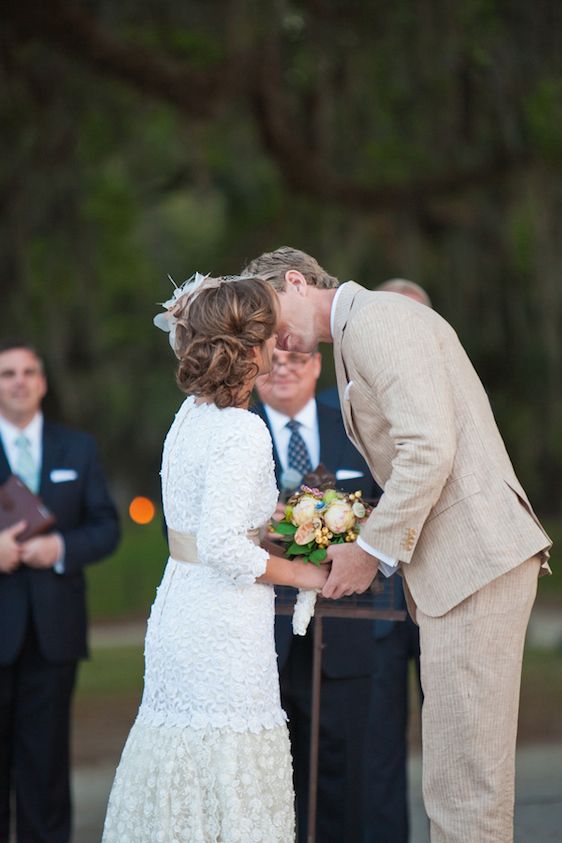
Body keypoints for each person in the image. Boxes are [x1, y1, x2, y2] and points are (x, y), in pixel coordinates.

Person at [242, 247, 552, 843]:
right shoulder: (362, 330)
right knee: (452, 776)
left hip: (475, 563)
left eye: (268, 311)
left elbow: (427, 449)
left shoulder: (378, 320)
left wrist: (372, 551)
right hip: (457, 569)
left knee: (468, 785)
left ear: (296, 281)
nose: (269, 335)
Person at [102, 275, 329, 843]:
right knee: (226, 757)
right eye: (276, 334)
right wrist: (306, 573)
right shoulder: (242, 431)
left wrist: (287, 524)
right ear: (255, 347)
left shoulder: (190, 417)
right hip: (223, 628)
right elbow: (227, 548)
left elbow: (208, 523)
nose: (285, 344)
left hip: (181, 608)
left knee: (185, 752)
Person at [254, 347, 381, 842]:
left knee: (341, 780)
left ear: (316, 366)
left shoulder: (354, 428)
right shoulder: (234, 430)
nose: (284, 367)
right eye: (273, 359)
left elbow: (390, 508)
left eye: (297, 357)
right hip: (258, 637)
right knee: (264, 782)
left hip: (343, 630)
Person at [0, 341, 120, 843]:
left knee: (46, 768)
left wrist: (61, 548)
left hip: (55, 634)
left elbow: (106, 527)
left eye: (29, 372)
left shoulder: (78, 449)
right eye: (8, 374)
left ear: (44, 382)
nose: (20, 381)